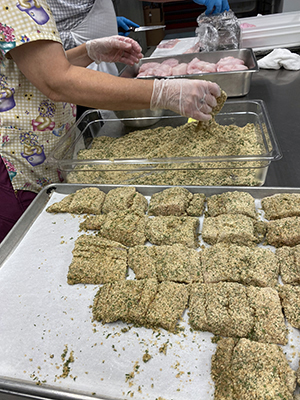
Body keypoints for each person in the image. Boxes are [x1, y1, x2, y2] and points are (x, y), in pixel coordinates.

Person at [0, 0, 221, 242]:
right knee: (27, 247)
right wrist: (163, 93)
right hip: (16, 166)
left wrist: (87, 52)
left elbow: (35, 67)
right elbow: (56, 81)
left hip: (47, 152)